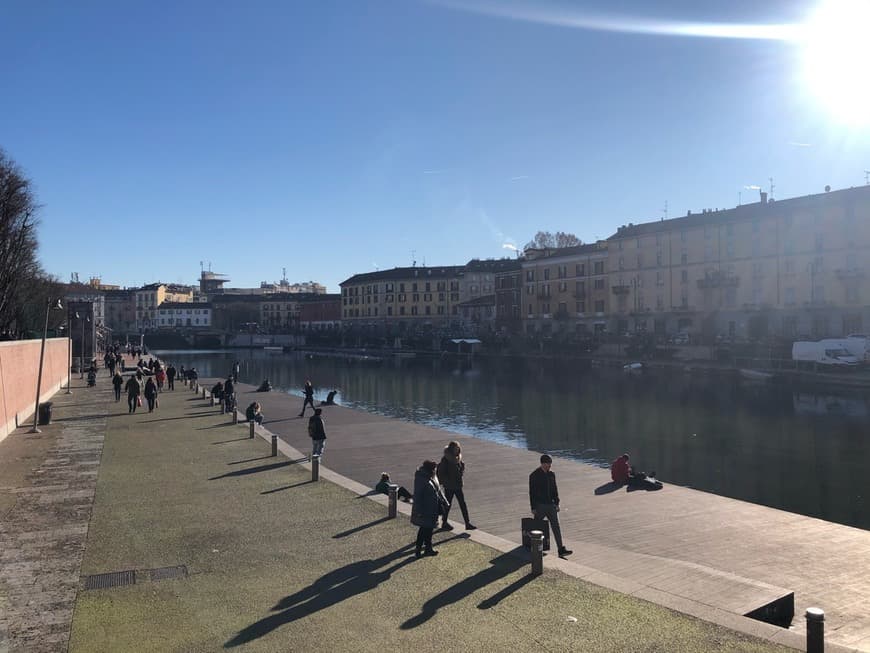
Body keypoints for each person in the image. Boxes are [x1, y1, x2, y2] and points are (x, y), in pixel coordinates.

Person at [529, 454, 572, 558]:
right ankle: (533, 546)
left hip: (551, 505)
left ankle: (561, 549)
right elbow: (532, 493)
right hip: (540, 506)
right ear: (542, 463)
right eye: (548, 464)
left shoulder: (551, 474)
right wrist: (533, 507)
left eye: (550, 464)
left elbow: (554, 490)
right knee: (537, 526)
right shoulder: (534, 475)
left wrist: (557, 503)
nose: (549, 466)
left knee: (556, 527)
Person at [437, 441, 476, 531]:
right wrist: (447, 481)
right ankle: (444, 522)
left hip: (458, 485)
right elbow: (441, 472)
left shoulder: (458, 458)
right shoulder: (446, 459)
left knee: (463, 504)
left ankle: (467, 523)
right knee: (448, 504)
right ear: (451, 449)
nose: (457, 449)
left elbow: (459, 470)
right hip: (449, 486)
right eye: (455, 448)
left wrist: (462, 468)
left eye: (458, 448)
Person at [411, 460, 444, 558]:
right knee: (424, 530)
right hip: (425, 509)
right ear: (431, 469)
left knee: (428, 529)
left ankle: (428, 549)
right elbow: (417, 496)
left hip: (432, 508)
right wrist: (419, 511)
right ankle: (419, 549)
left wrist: (444, 501)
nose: (435, 471)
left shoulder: (431, 477)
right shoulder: (422, 479)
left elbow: (438, 490)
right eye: (435, 469)